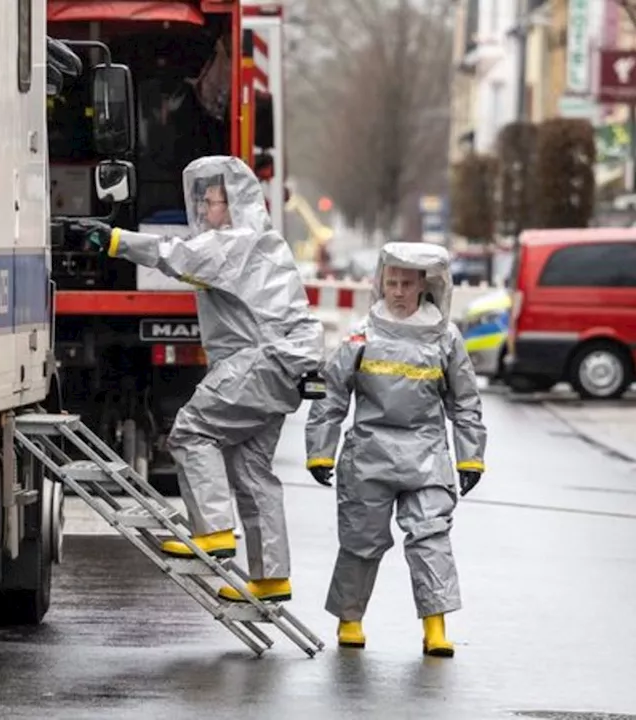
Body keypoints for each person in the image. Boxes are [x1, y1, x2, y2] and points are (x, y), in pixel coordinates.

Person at [73, 156, 324, 604]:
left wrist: (113, 241)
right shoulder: (266, 243)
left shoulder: (235, 243)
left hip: (254, 364)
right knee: (252, 472)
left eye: (212, 202)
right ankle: (270, 578)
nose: (205, 210)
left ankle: (213, 532)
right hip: (279, 368)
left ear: (234, 205)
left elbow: (176, 255)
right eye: (206, 201)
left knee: (191, 433)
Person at [305, 242, 487, 657]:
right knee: (360, 540)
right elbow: (332, 393)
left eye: (407, 283)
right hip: (369, 454)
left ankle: (435, 628)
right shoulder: (361, 335)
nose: (398, 291)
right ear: (381, 282)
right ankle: (349, 620)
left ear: (425, 284)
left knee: (431, 537)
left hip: (425, 454)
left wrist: (470, 456)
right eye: (392, 282)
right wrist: (320, 450)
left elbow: (464, 401)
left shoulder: (444, 338)